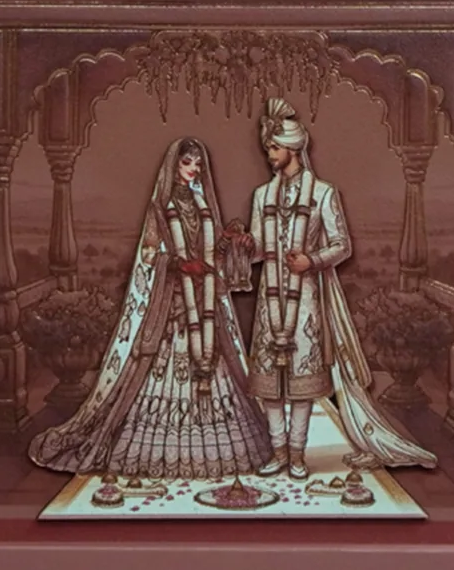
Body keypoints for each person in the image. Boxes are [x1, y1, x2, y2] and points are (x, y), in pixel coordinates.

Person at [28, 137, 272, 479]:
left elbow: (213, 251)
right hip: (172, 304)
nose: (194, 169)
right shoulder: (161, 208)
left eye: (198, 164)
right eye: (187, 162)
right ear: (174, 165)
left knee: (216, 363)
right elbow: (148, 254)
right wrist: (178, 264)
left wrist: (232, 242)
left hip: (205, 301)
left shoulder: (202, 204)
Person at [235, 98, 438, 478]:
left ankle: (297, 455)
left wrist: (311, 261)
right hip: (270, 300)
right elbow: (261, 250)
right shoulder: (262, 196)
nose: (269, 155)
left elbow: (342, 246)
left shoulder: (323, 193)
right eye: (267, 148)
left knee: (301, 381)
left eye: (274, 147)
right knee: (270, 383)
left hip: (306, 299)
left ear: (293, 148)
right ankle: (277, 452)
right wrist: (247, 246)